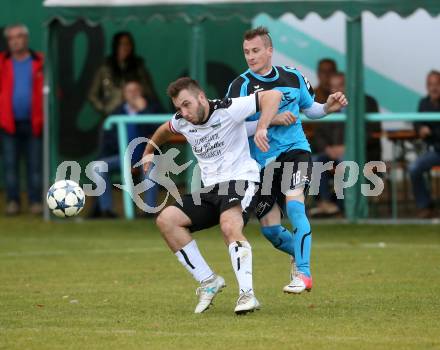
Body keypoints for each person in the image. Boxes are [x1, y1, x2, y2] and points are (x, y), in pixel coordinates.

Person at [142, 77, 283, 314]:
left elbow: (273, 96)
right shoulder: (182, 121)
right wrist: (148, 152)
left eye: (186, 104)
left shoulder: (228, 108)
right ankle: (208, 281)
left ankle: (247, 295)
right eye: (179, 107)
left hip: (241, 180)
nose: (183, 112)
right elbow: (165, 130)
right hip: (211, 190)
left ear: (200, 97)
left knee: (229, 227)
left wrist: (262, 126)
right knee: (167, 220)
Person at [226, 27, 347, 294]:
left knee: (295, 207)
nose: (251, 57)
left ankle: (303, 274)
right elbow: (231, 127)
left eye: (256, 51)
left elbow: (311, 109)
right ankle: (301, 253)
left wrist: (327, 107)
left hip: (295, 151)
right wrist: (270, 120)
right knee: (271, 231)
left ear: (269, 50)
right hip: (260, 164)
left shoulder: (293, 77)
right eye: (246, 52)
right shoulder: (240, 86)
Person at [311, 72, 381, 217]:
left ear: (349, 86)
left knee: (346, 163)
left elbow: (372, 132)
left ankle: (344, 208)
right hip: (332, 153)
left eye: (341, 85)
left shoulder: (366, 103)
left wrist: (349, 147)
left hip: (360, 152)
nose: (337, 90)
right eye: (333, 87)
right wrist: (327, 148)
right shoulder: (327, 105)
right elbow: (319, 133)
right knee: (315, 162)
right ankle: (326, 203)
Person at [91, 80, 161, 218]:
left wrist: (143, 111)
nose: (133, 94)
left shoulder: (152, 108)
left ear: (142, 93)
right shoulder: (117, 112)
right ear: (124, 95)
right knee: (97, 167)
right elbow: (108, 140)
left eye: (136, 90)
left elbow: (159, 131)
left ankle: (149, 210)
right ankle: (106, 211)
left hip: (146, 156)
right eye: (129, 91)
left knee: (150, 167)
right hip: (121, 157)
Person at [0, 24, 44, 216]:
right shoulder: (2, 62)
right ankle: (13, 201)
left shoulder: (40, 61)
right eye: (11, 38)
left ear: (26, 38)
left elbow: (52, 93)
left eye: (19, 37)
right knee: (10, 165)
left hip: (34, 122)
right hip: (8, 124)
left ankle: (35, 202)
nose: (15, 41)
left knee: (35, 165)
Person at [88, 31, 159, 118]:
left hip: (137, 113)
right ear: (116, 45)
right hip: (112, 113)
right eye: (122, 44)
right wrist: (104, 109)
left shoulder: (138, 66)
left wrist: (140, 99)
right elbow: (92, 95)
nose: (126, 47)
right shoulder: (105, 67)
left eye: (128, 44)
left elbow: (149, 90)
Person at [409, 70, 440, 219]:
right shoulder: (424, 102)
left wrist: (432, 132)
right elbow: (417, 121)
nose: (434, 88)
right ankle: (424, 205)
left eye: (437, 84)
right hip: (435, 152)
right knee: (414, 168)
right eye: (430, 84)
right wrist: (420, 128)